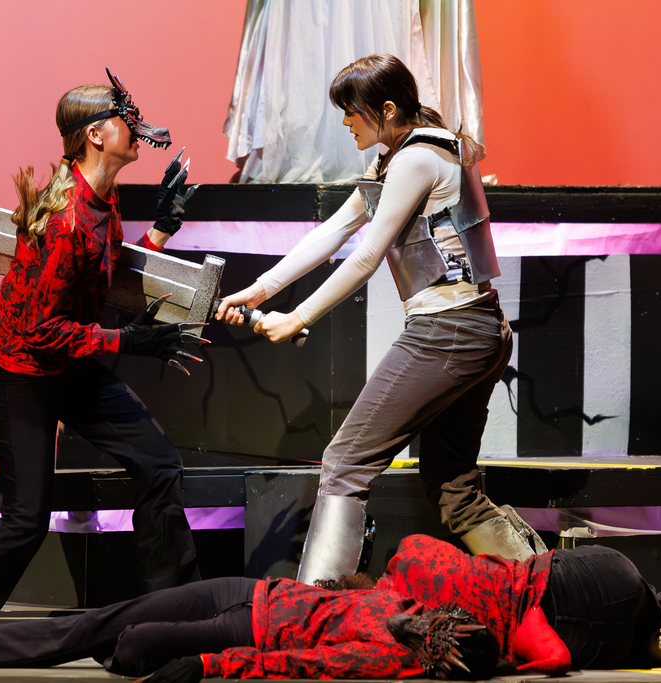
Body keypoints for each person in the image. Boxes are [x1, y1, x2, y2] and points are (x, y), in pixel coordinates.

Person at [0, 69, 204, 655]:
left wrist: (162, 231)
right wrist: (128, 343)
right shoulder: (65, 218)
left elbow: (107, 272)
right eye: (126, 120)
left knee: (158, 463)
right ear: (97, 135)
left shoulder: (102, 199)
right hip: (21, 367)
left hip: (63, 359)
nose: (137, 127)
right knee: (27, 519)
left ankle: (175, 613)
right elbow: (38, 329)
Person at [217, 53, 544, 585]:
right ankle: (552, 588)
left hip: (450, 331)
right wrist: (258, 291)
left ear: (386, 109)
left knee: (344, 464)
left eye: (352, 112)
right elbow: (332, 233)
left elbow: (367, 256)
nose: (345, 122)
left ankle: (313, 613)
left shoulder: (416, 159)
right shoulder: (399, 156)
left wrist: (297, 315)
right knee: (454, 491)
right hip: (476, 329)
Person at [0, 574, 500, 681]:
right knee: (100, 626)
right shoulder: (409, 599)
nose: (427, 618)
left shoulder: (389, 658)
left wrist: (211, 666)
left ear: (439, 653)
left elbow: (294, 664)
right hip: (243, 590)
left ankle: (117, 652)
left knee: (130, 646)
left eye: (441, 630)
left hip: (246, 634)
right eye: (443, 617)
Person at [379, 535, 661, 674]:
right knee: (656, 603)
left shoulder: (401, 633)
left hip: (582, 645)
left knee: (642, 625)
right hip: (589, 580)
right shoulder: (413, 549)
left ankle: (643, 645)